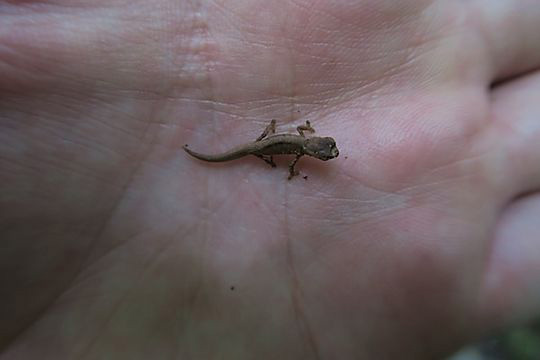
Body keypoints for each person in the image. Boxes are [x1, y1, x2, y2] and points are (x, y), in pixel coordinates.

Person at [1, 0, 539, 358]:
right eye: (323, 154)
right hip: (261, 146)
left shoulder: (304, 142)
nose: (323, 154)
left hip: (269, 139)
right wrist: (280, 164)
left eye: (323, 153)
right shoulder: (295, 155)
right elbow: (288, 155)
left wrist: (285, 144)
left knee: (258, 148)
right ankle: (210, 153)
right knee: (240, 154)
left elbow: (297, 143)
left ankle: (217, 151)